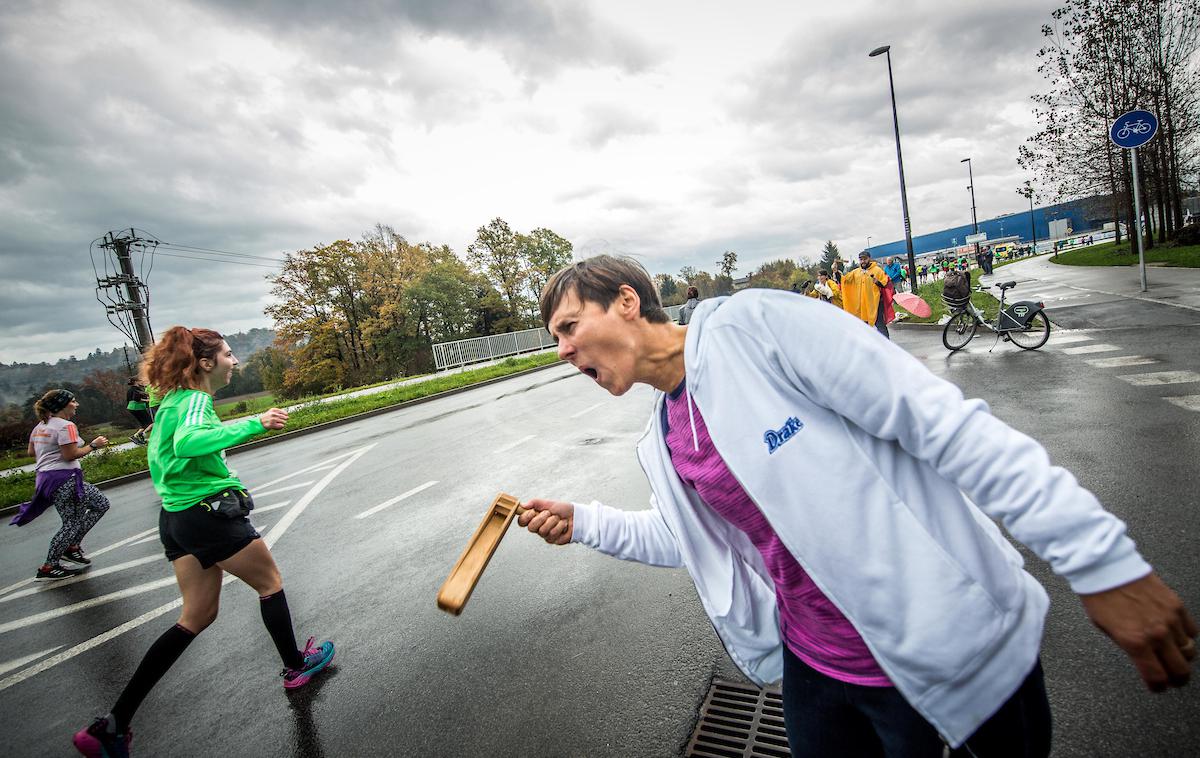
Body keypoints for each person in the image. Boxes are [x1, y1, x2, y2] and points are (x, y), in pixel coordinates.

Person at [520, 254, 1196, 757]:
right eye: (556, 337)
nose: (562, 349)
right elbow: (699, 545)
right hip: (815, 670)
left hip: (950, 650)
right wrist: (586, 523)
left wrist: (1099, 560)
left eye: (569, 325)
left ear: (629, 303)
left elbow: (943, 425)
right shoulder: (667, 438)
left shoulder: (754, 328)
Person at [73, 326, 335, 758]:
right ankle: (296, 667)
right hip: (208, 514)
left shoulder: (170, 403)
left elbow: (168, 451)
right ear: (206, 363)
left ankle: (112, 725)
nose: (237, 361)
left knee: (195, 616)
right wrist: (257, 421)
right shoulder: (194, 400)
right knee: (270, 583)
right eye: (230, 354)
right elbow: (191, 442)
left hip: (175, 519)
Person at [9, 389, 112, 581]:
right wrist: (94, 445)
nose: (76, 404)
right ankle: (50, 565)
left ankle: (71, 547)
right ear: (63, 405)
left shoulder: (40, 426)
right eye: (73, 401)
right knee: (85, 514)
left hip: (46, 478)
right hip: (65, 478)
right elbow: (70, 454)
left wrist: (50, 452)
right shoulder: (66, 426)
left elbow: (32, 452)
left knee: (90, 509)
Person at [840, 252, 892, 338]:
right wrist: (836, 272)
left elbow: (886, 283)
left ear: (869, 259)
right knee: (864, 325)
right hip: (862, 305)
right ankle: (869, 345)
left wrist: (878, 282)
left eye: (865, 259)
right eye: (861, 259)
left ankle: (886, 344)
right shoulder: (856, 272)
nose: (863, 261)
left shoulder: (877, 270)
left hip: (875, 304)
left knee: (879, 324)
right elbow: (844, 281)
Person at [126, 378, 152, 446]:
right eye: (139, 381)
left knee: (143, 424)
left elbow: (129, 399)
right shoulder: (136, 389)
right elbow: (137, 399)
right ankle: (136, 436)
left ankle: (140, 438)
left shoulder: (130, 390)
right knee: (150, 423)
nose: (141, 382)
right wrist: (148, 400)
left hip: (131, 408)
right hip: (137, 408)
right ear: (135, 382)